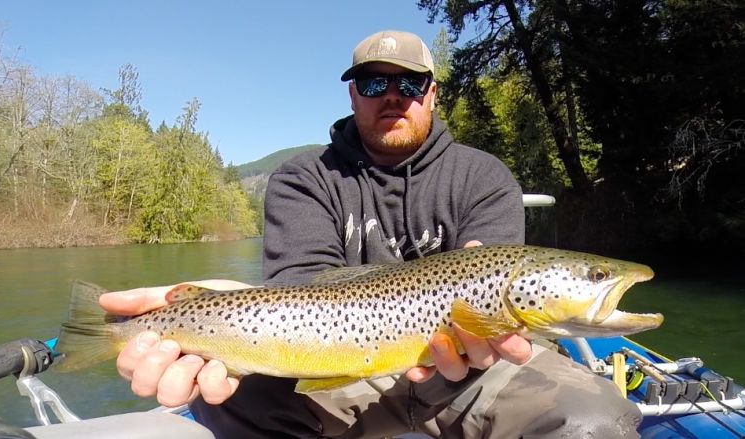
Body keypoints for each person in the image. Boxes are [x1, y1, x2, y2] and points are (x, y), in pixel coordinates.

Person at [100, 30, 642, 438]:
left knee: (594, 417)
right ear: (353, 95)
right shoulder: (305, 177)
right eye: (374, 83)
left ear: (432, 94)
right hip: (337, 365)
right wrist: (212, 313)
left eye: (410, 83)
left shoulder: (483, 176)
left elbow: (495, 313)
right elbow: (302, 294)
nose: (393, 95)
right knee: (225, 400)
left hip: (479, 371)